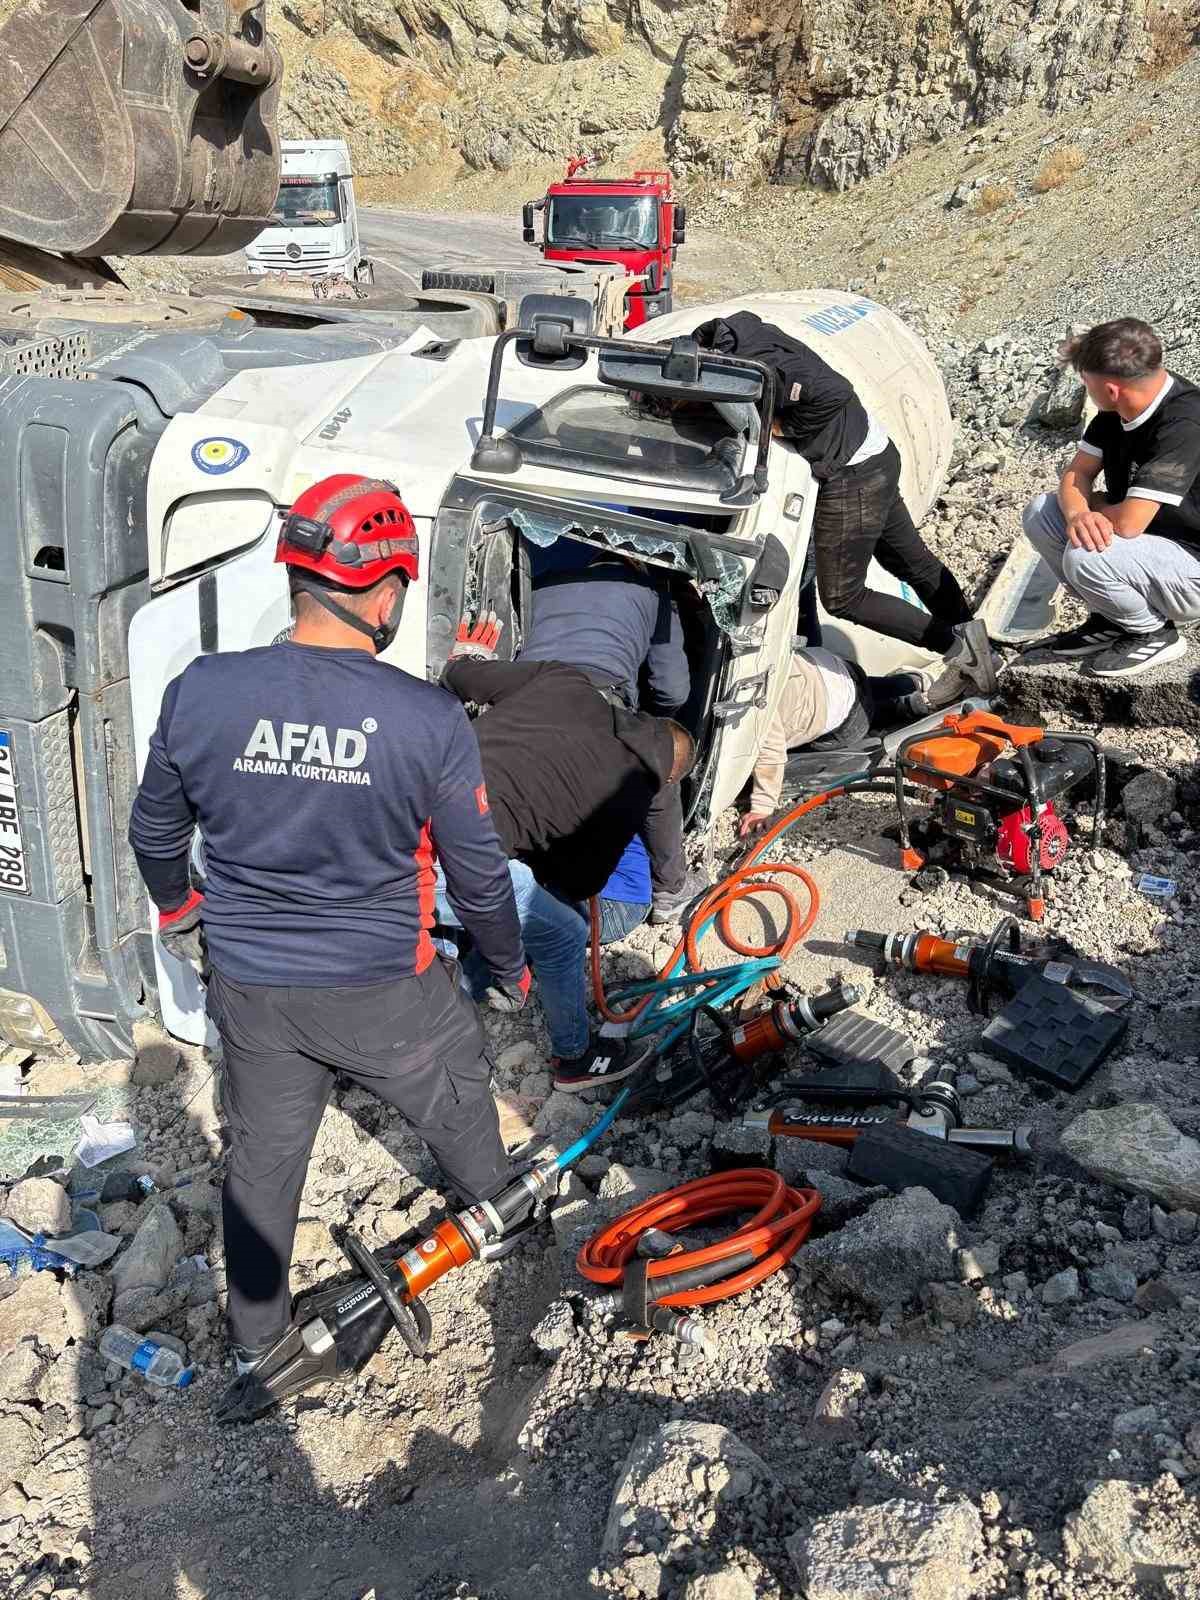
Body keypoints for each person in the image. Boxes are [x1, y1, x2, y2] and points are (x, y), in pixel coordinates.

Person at [127, 475, 530, 1372]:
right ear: (386, 591)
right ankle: (502, 1212)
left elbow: (154, 830)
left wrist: (184, 908)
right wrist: (508, 968)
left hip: (253, 988)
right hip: (384, 987)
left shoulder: (205, 691)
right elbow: (475, 874)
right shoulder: (426, 720)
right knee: (456, 1092)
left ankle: (256, 1344)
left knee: (263, 1161)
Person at [690, 311, 997, 708]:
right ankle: (977, 648)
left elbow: (834, 392)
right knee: (912, 562)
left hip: (852, 473)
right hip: (876, 454)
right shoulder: (732, 336)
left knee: (842, 596)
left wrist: (782, 428)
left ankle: (958, 652)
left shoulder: (760, 368)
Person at [440, 645, 695, 1091]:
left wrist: (464, 661)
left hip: (399, 800)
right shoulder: (630, 793)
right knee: (563, 932)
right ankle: (575, 1059)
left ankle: (444, 991)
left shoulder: (564, 679)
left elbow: (460, 676)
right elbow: (577, 883)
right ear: (667, 779)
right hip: (446, 854)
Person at [518, 540, 705, 923]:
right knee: (656, 774)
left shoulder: (539, 584)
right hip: (596, 699)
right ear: (639, 560)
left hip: (523, 698)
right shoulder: (652, 590)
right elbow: (673, 688)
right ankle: (671, 889)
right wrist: (651, 723)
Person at [1023, 317, 1200, 677]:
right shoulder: (1115, 411)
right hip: (1150, 548)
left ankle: (1153, 633)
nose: (1085, 389)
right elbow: (1078, 474)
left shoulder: (1184, 423)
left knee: (1087, 555)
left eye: (1086, 382)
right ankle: (1111, 619)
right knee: (1041, 511)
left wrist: (1097, 506)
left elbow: (1129, 525)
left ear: (1111, 388)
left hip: (1192, 562)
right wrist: (1077, 514)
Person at [737, 648, 927, 835]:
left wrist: (762, 808)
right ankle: (914, 682)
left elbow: (771, 753)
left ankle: (908, 707)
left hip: (850, 715)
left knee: (865, 719)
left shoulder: (748, 697)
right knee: (871, 688)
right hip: (830, 666)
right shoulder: (743, 660)